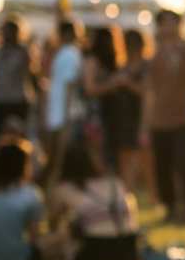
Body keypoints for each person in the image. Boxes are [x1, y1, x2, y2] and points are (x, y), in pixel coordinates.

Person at [140, 9, 185, 225]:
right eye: (164, 23)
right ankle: (169, 208)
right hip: (159, 122)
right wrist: (144, 125)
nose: (168, 27)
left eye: (172, 22)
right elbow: (149, 93)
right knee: (163, 167)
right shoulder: (154, 56)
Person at [48, 143, 140, 260]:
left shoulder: (63, 188)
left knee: (58, 240)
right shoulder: (115, 182)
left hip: (95, 250)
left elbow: (53, 225)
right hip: (129, 248)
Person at [43, 19, 86, 181]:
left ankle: (59, 177)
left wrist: (67, 112)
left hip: (66, 112)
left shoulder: (69, 54)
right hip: (61, 110)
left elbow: (71, 84)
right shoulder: (68, 53)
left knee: (63, 150)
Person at [117, 29, 156, 200]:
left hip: (143, 119)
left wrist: (127, 83)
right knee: (125, 160)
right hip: (125, 119)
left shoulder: (148, 66)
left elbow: (148, 92)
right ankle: (126, 198)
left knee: (147, 160)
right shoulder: (122, 67)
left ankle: (154, 196)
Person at [82, 25, 126, 172]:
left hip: (110, 113)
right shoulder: (93, 60)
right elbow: (89, 89)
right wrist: (112, 85)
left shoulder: (112, 62)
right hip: (97, 114)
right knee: (98, 150)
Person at [0, 15, 37, 135]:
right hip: (2, 98)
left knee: (20, 132)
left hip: (19, 98)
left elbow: (31, 74)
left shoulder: (24, 51)